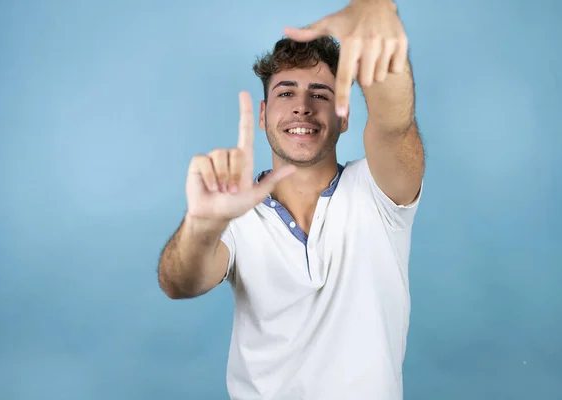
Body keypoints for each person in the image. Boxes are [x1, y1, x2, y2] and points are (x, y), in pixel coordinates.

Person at [158, 0, 425, 398]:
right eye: (286, 93)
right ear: (264, 114)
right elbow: (179, 283)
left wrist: (378, 27)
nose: (302, 107)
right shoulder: (234, 210)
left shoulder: (378, 191)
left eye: (320, 93)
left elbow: (394, 123)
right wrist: (202, 225)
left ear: (344, 114)